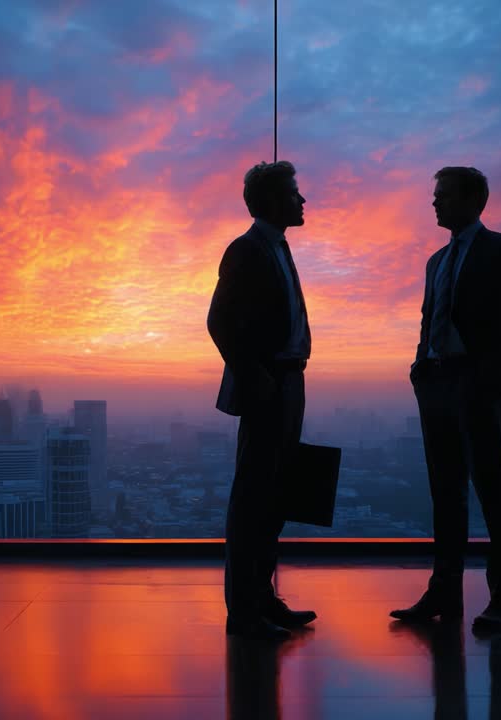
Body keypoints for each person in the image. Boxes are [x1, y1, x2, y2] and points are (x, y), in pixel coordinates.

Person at [391, 166, 501, 631]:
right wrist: (421, 368)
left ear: (472, 200)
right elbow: (430, 319)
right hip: (436, 384)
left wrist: (478, 376)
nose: (435, 203)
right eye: (436, 196)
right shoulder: (436, 261)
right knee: (444, 494)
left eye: (443, 195)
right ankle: (444, 593)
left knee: (492, 491)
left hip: (479, 384)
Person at [207, 160, 317, 639]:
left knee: (275, 496)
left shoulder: (276, 248)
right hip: (268, 384)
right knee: (254, 497)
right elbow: (219, 322)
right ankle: (245, 612)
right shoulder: (247, 250)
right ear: (273, 201)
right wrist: (258, 377)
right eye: (294, 192)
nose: (302, 200)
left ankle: (263, 599)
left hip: (288, 381)